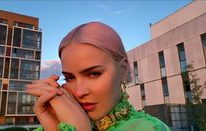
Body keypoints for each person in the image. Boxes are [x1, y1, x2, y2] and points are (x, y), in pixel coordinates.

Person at [26, 22, 170, 131]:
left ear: (123, 70)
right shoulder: (63, 122)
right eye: (70, 78)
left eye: (94, 74)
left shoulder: (146, 128)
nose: (79, 92)